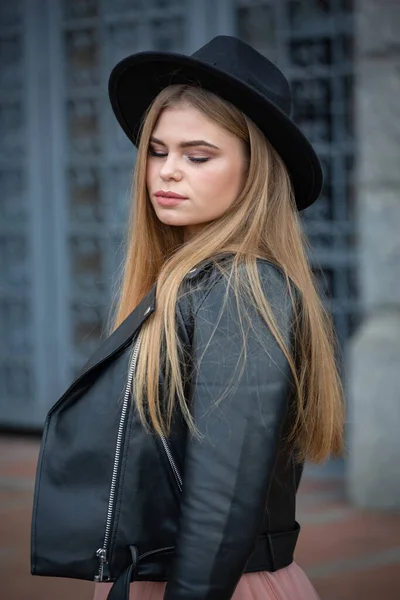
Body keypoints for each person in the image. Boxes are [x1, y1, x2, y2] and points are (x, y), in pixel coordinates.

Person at [30, 35, 344, 600]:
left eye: (198, 156)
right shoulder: (192, 281)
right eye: (157, 150)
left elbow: (222, 504)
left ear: (256, 172)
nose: (168, 172)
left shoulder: (241, 289)